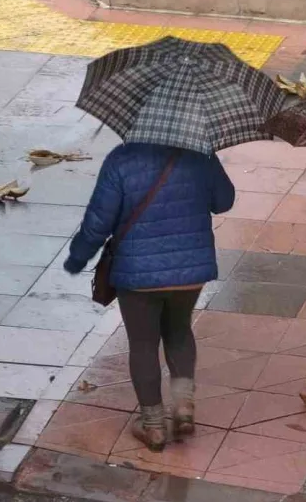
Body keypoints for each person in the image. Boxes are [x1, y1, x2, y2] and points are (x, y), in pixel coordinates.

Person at [64, 143, 235, 452]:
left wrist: (77, 257)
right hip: (189, 269)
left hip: (137, 272)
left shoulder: (121, 159)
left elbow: (98, 222)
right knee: (179, 330)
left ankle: (153, 426)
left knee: (143, 344)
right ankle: (183, 404)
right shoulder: (200, 154)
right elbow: (224, 202)